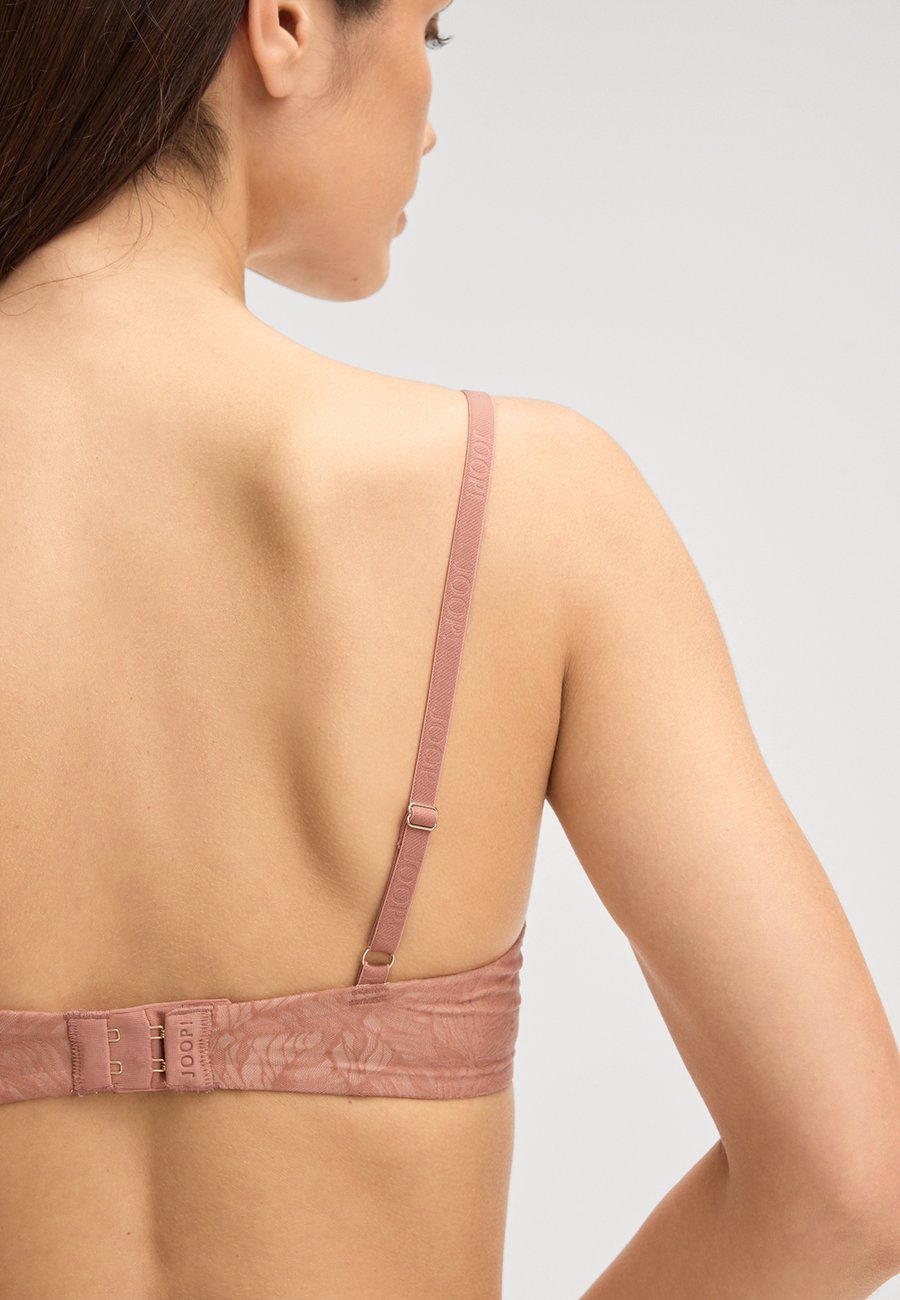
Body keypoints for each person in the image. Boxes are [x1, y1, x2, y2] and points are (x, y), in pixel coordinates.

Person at [0, 2, 897, 1297]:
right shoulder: (534, 507)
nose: (431, 111)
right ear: (284, 23)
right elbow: (849, 1183)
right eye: (433, 30)